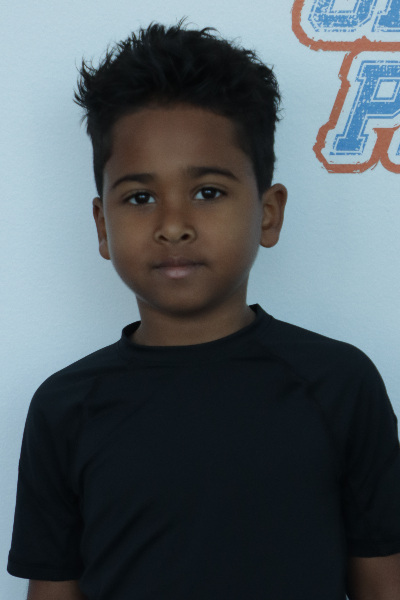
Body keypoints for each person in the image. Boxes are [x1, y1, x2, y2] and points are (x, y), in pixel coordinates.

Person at [7, 17, 400, 600]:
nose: (173, 225)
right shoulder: (64, 409)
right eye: (140, 197)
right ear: (103, 226)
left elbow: (382, 582)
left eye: (208, 192)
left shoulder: (339, 385)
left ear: (268, 213)